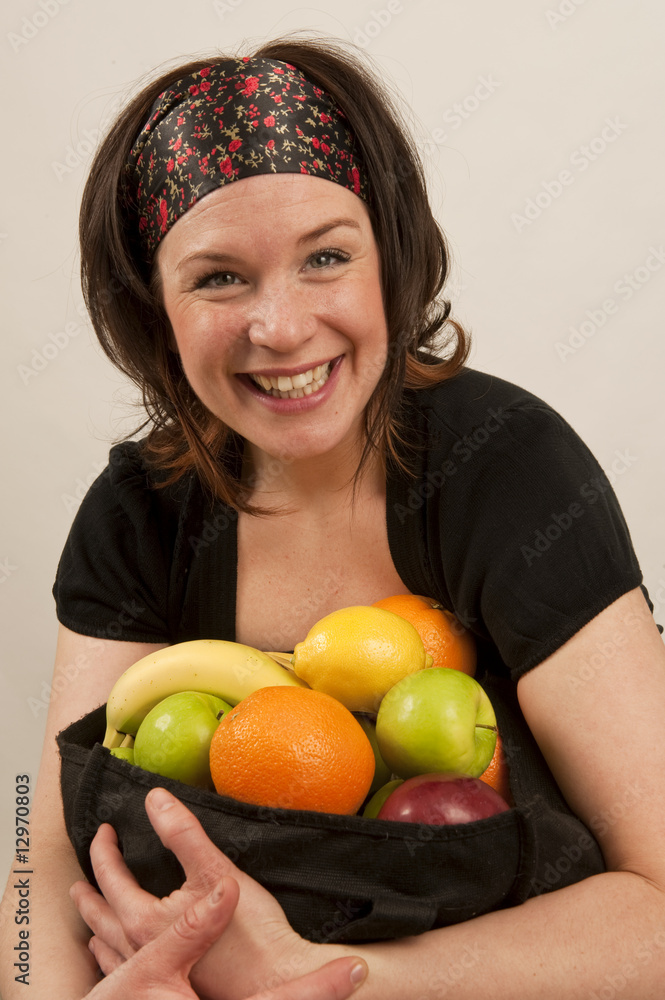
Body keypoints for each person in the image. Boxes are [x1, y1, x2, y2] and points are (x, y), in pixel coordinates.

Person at [2, 34, 665, 1000]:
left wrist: (330, 981)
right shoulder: (133, 517)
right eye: (219, 276)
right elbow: (38, 861)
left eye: (326, 256)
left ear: (389, 265)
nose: (281, 327)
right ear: (156, 311)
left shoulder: (508, 472)